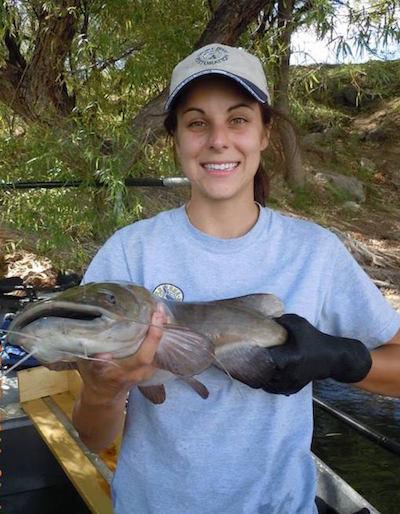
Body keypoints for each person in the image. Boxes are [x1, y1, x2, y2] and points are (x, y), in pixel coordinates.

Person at [72, 44, 400, 514]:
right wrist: (104, 390)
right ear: (177, 139)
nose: (218, 140)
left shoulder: (314, 252)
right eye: (197, 122)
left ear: (265, 133)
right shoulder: (129, 254)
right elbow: (93, 435)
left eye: (239, 119)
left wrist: (339, 358)